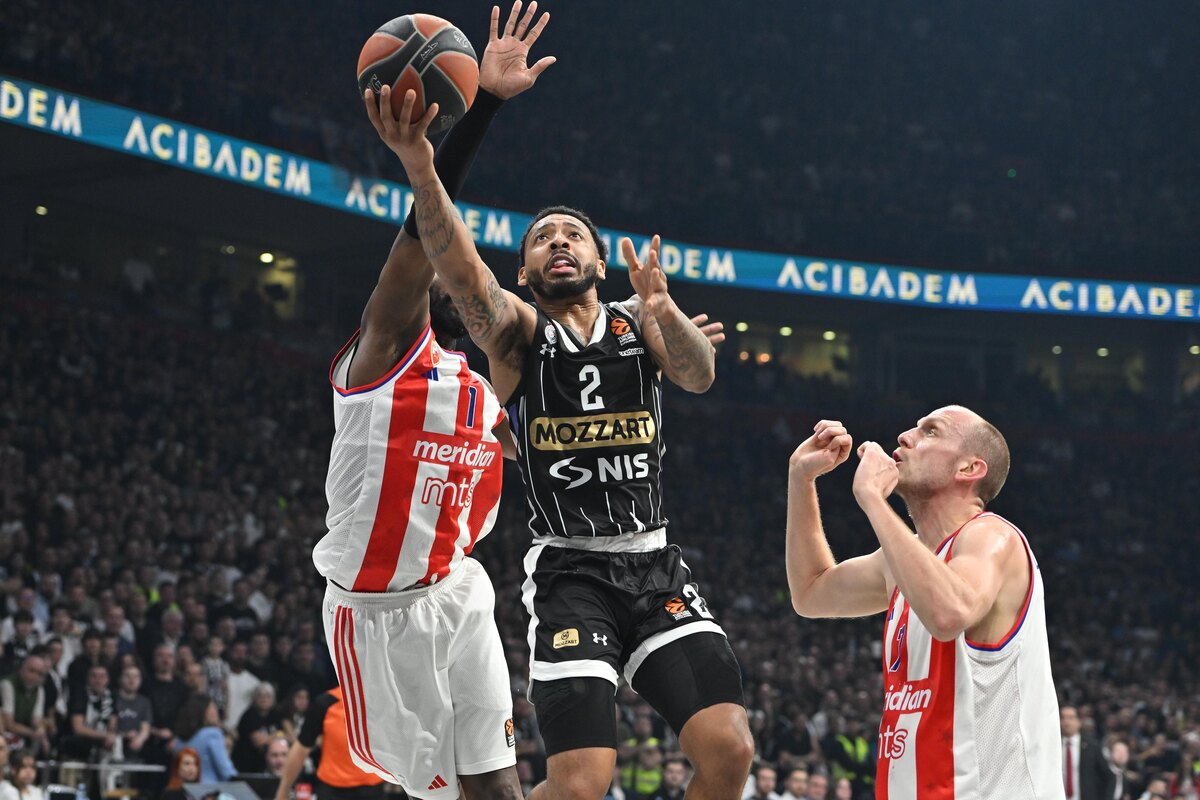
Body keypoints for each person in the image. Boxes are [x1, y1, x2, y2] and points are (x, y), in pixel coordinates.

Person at [372, 26, 752, 800]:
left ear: (598, 261)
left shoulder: (637, 319)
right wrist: (421, 161)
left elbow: (700, 375)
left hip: (654, 564)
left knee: (731, 752)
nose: (557, 244)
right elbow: (452, 260)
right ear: (524, 268)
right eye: (541, 238)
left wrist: (663, 308)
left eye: (571, 235)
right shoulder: (512, 333)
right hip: (571, 572)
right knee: (580, 785)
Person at [312, 4, 554, 799]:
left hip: (460, 590)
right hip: (376, 614)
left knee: (498, 786)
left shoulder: (492, 393)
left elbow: (564, 449)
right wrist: (478, 111)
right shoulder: (387, 351)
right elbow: (417, 248)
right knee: (425, 790)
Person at [784, 408, 1062, 799]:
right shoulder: (905, 560)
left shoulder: (992, 536)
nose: (904, 436)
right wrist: (801, 478)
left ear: (969, 468)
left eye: (931, 432)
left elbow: (949, 614)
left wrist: (873, 500)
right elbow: (810, 592)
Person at [273, 687, 385, 800]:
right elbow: (301, 748)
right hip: (332, 789)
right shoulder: (325, 704)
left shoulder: (381, 703)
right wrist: (283, 791)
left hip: (372, 787)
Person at [172, 694, 235, 783]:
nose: (216, 711)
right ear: (203, 711)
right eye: (212, 707)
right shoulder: (212, 734)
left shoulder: (178, 740)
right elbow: (225, 770)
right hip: (210, 791)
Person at [1061, 706, 1114, 800]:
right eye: (1063, 718)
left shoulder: (1092, 747)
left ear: (1079, 722)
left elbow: (1109, 777)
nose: (1066, 722)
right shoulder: (1053, 747)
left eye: (1071, 718)